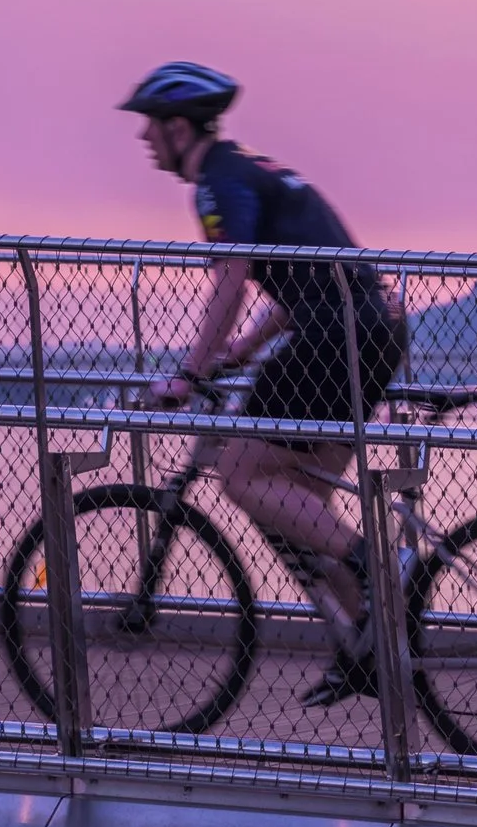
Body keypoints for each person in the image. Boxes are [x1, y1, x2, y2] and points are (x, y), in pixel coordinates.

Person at [119, 61, 406, 705]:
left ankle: (373, 563)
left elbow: (234, 273)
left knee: (241, 475)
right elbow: (293, 284)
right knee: (301, 501)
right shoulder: (254, 168)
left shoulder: (217, 183)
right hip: (373, 327)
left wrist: (191, 373)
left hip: (337, 338)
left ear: (176, 127)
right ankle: (370, 650)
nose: (142, 141)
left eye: (148, 128)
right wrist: (238, 352)